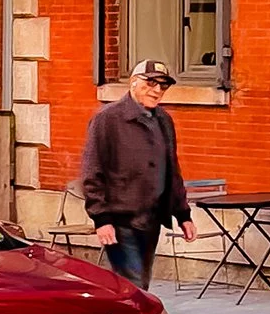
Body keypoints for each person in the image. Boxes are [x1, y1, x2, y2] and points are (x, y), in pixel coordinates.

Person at [77, 59, 195, 291]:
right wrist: (101, 220)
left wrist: (183, 214)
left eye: (163, 86)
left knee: (140, 284)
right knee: (133, 284)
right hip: (121, 219)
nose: (157, 90)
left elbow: (171, 169)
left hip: (151, 219)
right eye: (150, 83)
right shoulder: (107, 119)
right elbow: (92, 172)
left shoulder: (164, 120)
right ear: (133, 82)